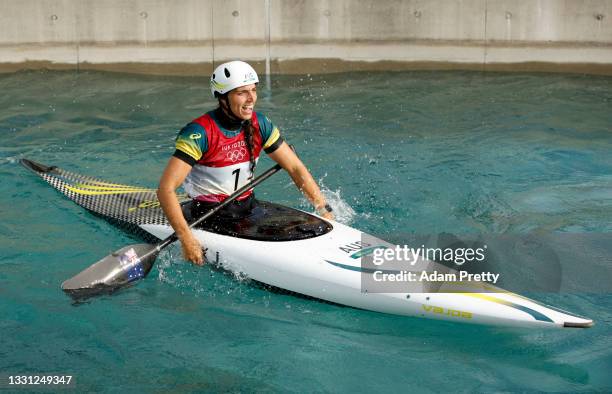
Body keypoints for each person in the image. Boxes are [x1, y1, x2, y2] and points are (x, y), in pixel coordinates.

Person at [157, 60, 334, 266]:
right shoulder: (200, 133)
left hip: (250, 209)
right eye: (242, 92)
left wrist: (323, 209)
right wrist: (186, 238)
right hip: (209, 216)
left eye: (254, 90)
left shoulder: (261, 125)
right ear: (223, 98)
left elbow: (295, 167)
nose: (251, 99)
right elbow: (166, 189)